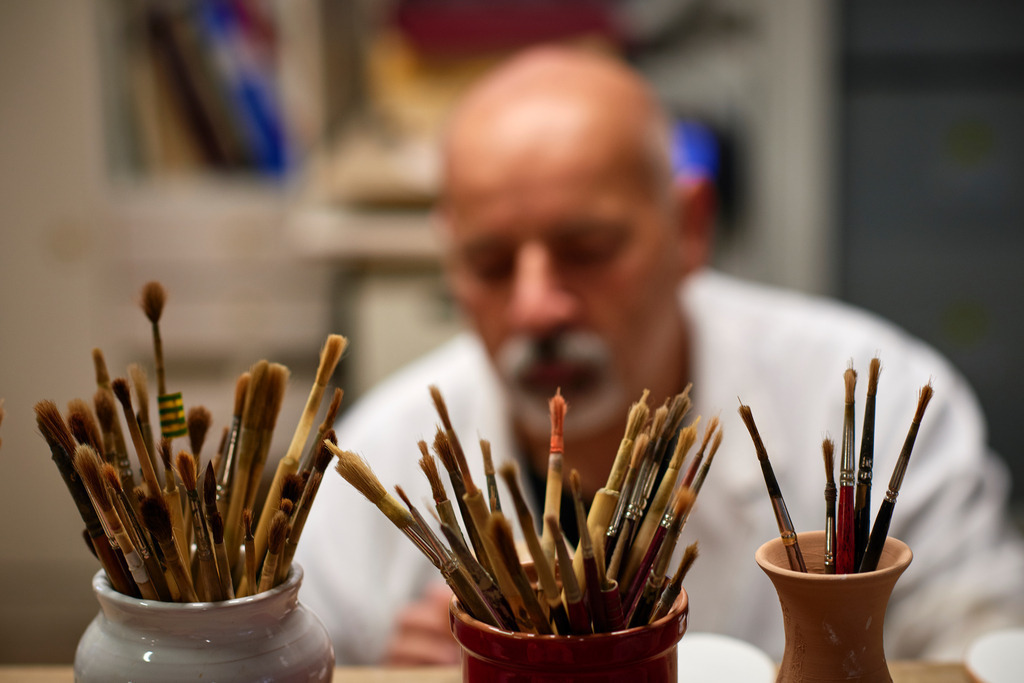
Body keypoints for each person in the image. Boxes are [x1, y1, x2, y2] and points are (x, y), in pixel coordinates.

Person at [296, 45, 1024, 665]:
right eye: (488, 263)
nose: (536, 306)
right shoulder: (376, 463)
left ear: (692, 225)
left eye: (588, 250)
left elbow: (986, 647)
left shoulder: (880, 400)